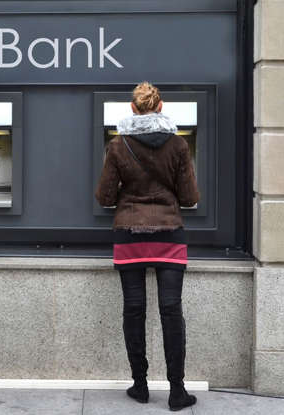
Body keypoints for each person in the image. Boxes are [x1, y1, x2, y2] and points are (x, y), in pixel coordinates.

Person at [95, 82, 200, 411]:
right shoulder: (179, 145)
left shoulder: (117, 145)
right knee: (171, 311)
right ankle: (177, 391)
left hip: (129, 233)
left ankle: (140, 386)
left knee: (134, 310)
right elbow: (190, 197)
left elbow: (105, 197)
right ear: (161, 106)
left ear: (132, 108)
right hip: (168, 233)